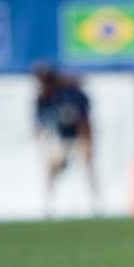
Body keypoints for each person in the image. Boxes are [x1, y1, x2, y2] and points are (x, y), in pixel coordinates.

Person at [32, 63, 95, 217]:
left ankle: (95, 204)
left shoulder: (67, 95)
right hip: (60, 139)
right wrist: (44, 147)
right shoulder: (42, 100)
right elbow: (40, 126)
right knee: (51, 170)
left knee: (87, 168)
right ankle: (47, 207)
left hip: (77, 137)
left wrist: (86, 142)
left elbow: (82, 120)